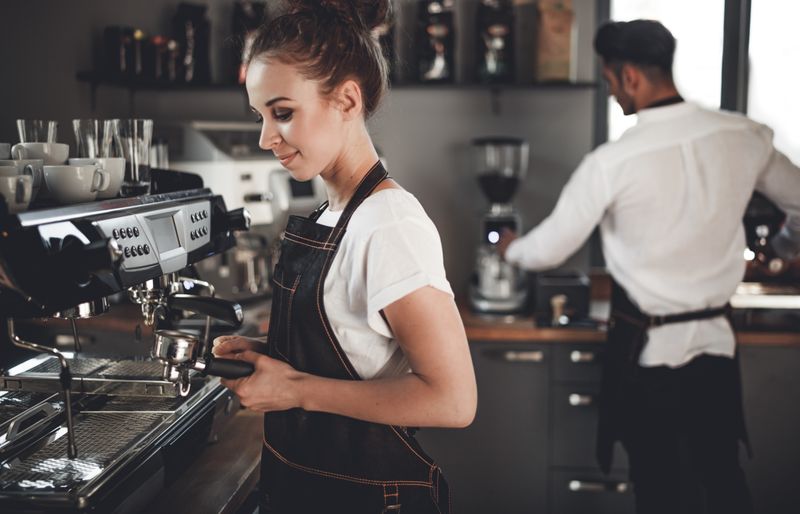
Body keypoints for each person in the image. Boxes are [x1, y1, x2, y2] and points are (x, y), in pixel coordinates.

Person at [498, 19, 800, 514]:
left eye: (610, 81)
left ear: (630, 77)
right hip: (716, 353)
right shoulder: (743, 137)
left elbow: (548, 249)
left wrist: (511, 248)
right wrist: (785, 250)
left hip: (648, 359)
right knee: (724, 483)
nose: (612, 93)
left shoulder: (612, 163)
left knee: (660, 492)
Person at [212, 1, 477, 513]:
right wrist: (270, 355)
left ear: (347, 100)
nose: (267, 138)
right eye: (261, 116)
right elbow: (358, 351)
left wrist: (294, 389)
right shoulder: (332, 213)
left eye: (283, 113)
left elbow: (453, 399)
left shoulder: (388, 223)